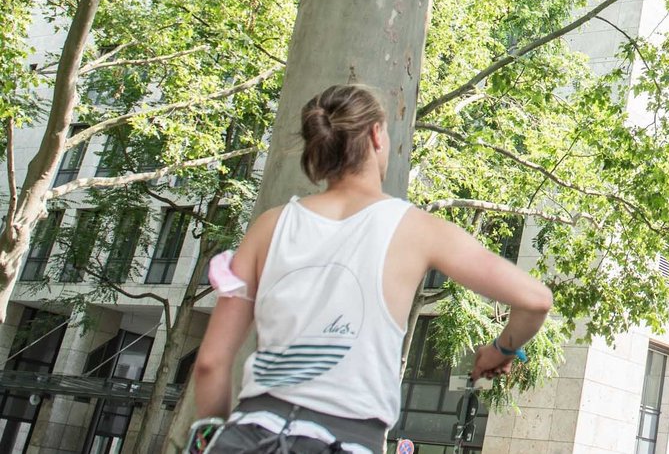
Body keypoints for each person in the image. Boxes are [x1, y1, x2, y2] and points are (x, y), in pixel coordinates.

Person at [189, 84, 553, 453]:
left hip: (246, 434)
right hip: (344, 440)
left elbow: (211, 364)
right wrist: (500, 351)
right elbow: (535, 300)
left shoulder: (269, 226)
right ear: (377, 135)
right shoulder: (416, 228)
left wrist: (212, 439)